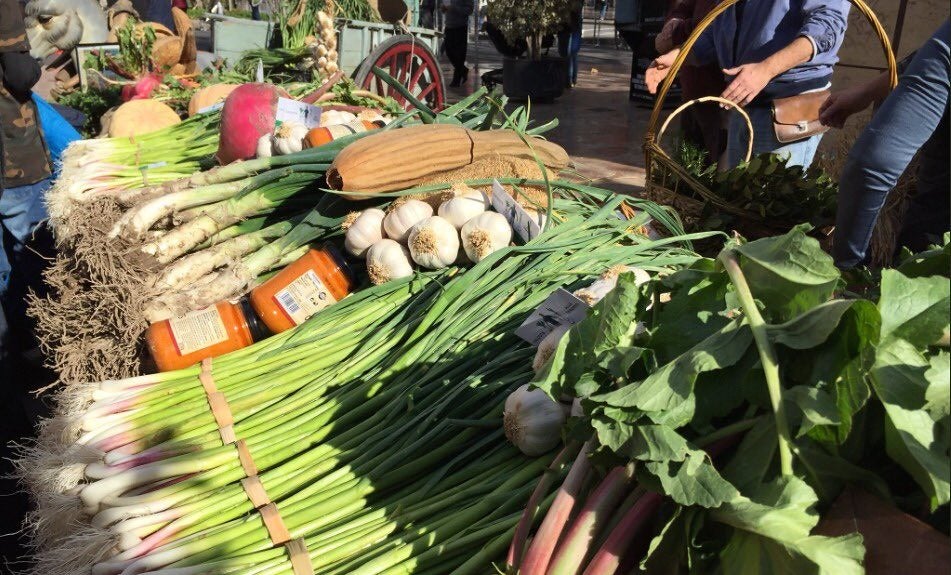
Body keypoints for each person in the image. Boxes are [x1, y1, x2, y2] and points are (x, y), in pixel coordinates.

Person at [646, 0, 850, 169]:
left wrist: (766, 69)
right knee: (737, 203)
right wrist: (678, 56)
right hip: (744, 104)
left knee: (772, 205)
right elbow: (719, 29)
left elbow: (827, 25)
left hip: (788, 107)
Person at [820, 20, 949, 269]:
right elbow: (927, 60)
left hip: (931, 261)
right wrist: (869, 91)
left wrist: (849, 266)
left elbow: (872, 164)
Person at [655, 0, 725, 165]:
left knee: (716, 168)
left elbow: (718, 23)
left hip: (721, 95)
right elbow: (684, 6)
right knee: (688, 163)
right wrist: (673, 22)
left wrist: (679, 31)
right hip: (692, 88)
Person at [442, 0, 474, 87]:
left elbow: (469, 10)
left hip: (460, 26)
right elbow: (443, 9)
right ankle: (463, 70)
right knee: (449, 52)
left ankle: (456, 80)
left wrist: (454, 8)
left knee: (460, 55)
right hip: (448, 26)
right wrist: (444, 8)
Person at [557, 0, 584, 87]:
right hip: (564, 27)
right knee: (563, 52)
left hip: (573, 27)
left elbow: (577, 7)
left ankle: (570, 79)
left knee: (571, 53)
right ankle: (568, 79)